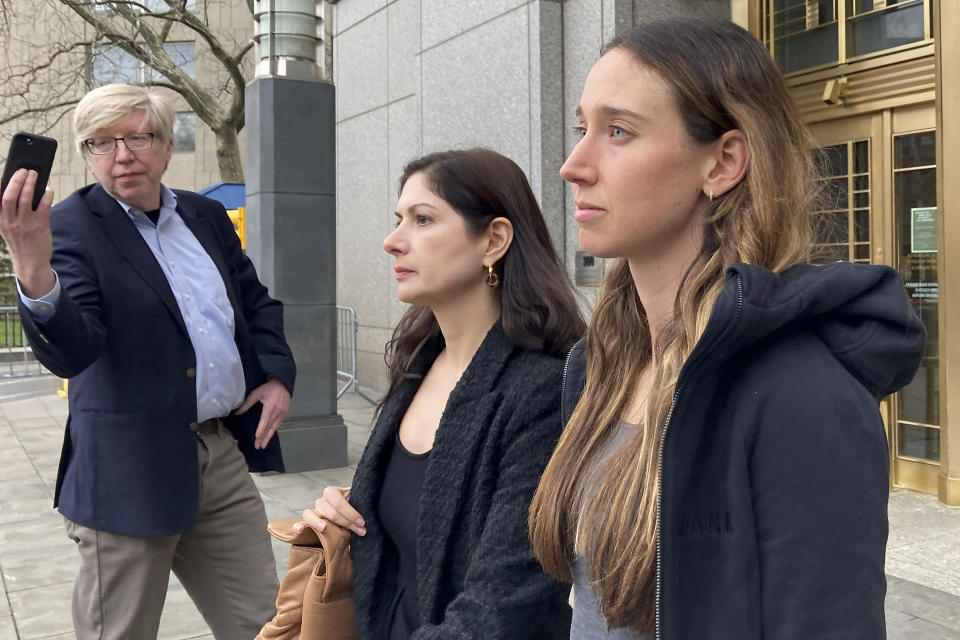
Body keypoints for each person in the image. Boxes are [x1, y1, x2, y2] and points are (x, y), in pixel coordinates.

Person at [527, 17, 925, 640]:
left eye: (618, 131)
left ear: (723, 162)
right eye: (583, 129)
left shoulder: (801, 393)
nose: (573, 165)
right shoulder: (597, 367)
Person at [0, 84, 295, 639]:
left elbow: (256, 305)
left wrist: (277, 375)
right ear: (87, 155)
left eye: (137, 137)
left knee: (266, 626)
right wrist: (33, 269)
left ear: (165, 145)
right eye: (101, 143)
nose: (122, 156)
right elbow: (73, 351)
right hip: (128, 470)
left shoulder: (205, 216)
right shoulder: (70, 227)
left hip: (220, 455)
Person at [294, 148, 584, 639]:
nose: (392, 242)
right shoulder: (417, 362)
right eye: (398, 219)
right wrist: (342, 511)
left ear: (493, 240)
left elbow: (503, 607)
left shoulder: (542, 391)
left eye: (422, 220)